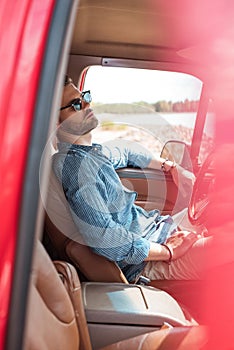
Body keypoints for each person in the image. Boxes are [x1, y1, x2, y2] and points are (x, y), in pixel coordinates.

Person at [52, 75, 211, 283]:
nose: (87, 104)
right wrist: (168, 251)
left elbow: (126, 150)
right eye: (76, 104)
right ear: (55, 121)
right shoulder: (75, 168)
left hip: (159, 230)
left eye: (84, 96)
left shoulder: (90, 154)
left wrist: (169, 166)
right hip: (147, 261)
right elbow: (105, 238)